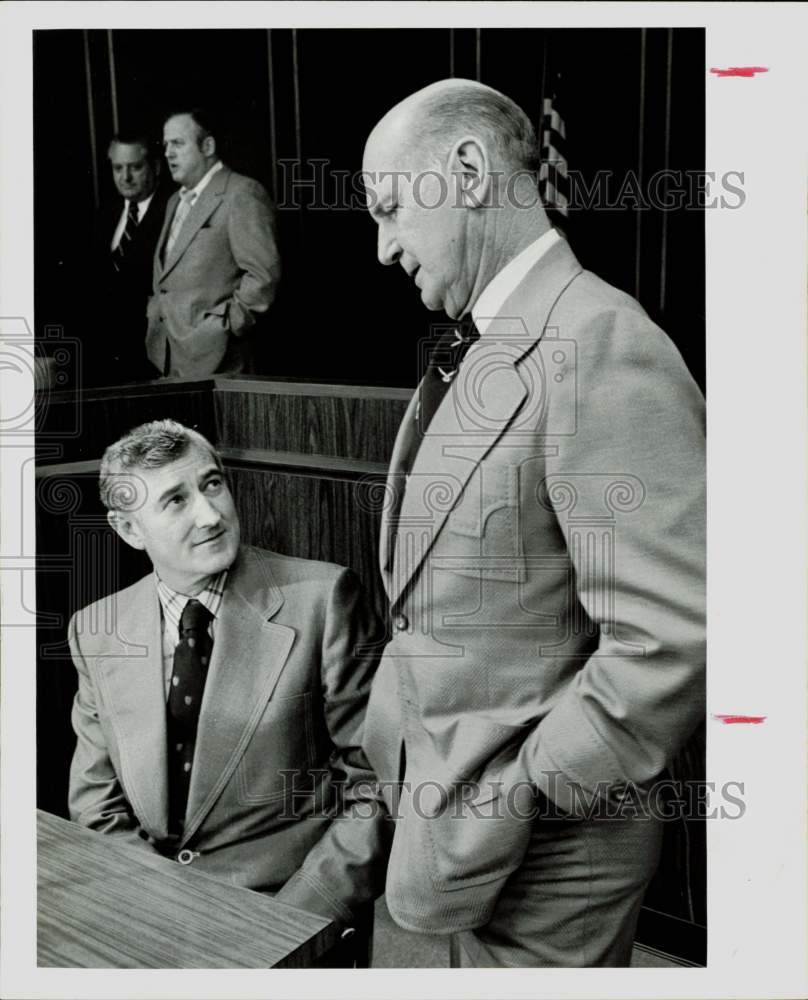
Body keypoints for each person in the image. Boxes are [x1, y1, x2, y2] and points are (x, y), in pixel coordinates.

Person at [361, 79, 706, 967]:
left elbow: (671, 639)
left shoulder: (600, 339)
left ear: (468, 171)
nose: (383, 248)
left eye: (391, 208)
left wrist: (515, 801)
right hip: (443, 847)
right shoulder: (489, 333)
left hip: (544, 867)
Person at [67, 419, 388, 964]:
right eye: (175, 500)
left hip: (289, 915)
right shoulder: (96, 628)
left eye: (212, 484)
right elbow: (97, 802)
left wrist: (290, 925)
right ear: (128, 530)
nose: (211, 514)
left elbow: (379, 787)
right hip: (149, 914)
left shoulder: (323, 598)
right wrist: (159, 909)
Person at [146, 109, 281, 378]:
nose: (168, 153)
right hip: (168, 359)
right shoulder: (175, 201)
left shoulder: (242, 193)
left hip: (220, 363)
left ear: (207, 146)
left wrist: (221, 327)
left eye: (178, 143)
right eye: (166, 144)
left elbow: (263, 278)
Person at [87, 132, 170, 384]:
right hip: (104, 353)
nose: (126, 177)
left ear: (155, 167)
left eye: (135, 167)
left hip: (152, 353)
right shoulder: (105, 213)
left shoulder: (172, 210)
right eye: (118, 168)